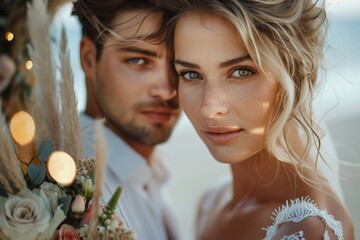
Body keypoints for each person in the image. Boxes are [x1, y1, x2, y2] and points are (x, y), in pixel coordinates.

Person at [159, 0, 355, 239]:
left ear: (293, 73)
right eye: (191, 74)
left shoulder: (306, 229)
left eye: (241, 72)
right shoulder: (213, 201)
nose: (210, 108)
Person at [72, 1, 181, 239]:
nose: (167, 90)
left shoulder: (152, 171)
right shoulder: (67, 190)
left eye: (181, 66)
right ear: (89, 58)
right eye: (138, 60)